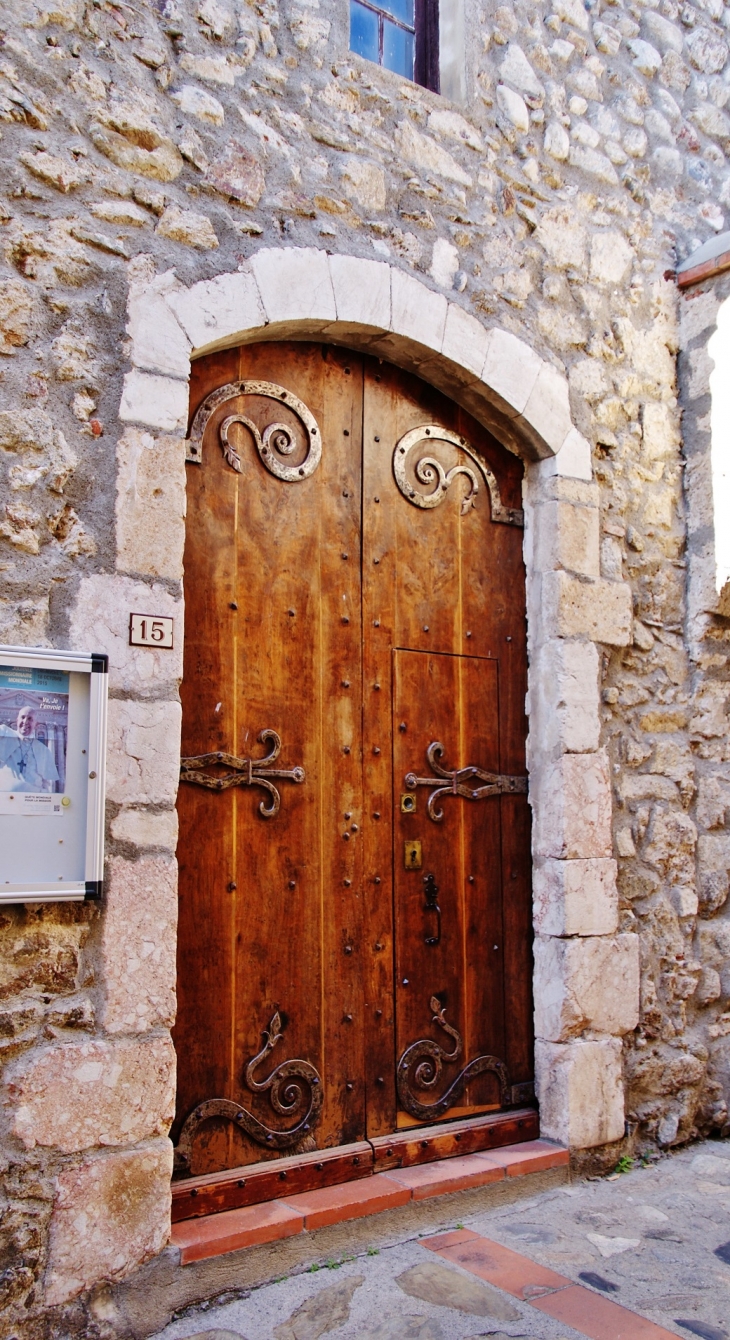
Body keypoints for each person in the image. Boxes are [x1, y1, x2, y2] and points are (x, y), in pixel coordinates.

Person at [0, 706, 59, 793]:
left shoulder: (43, 750)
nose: (25, 722)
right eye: (22, 717)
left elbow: (47, 782)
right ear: (17, 720)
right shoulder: (5, 735)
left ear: (36, 724)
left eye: (30, 719)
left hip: (32, 800)